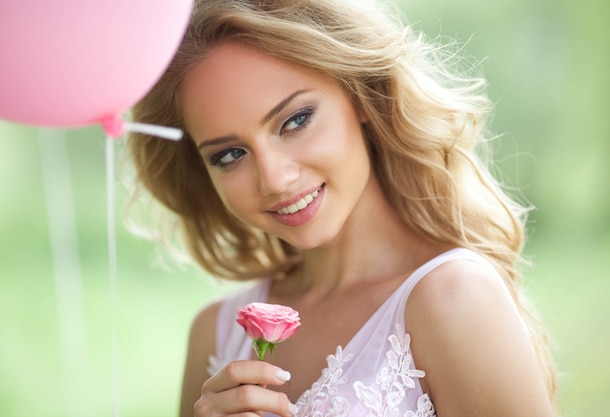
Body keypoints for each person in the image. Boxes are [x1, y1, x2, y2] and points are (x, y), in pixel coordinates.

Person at [125, 0, 559, 416]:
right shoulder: (213, 335)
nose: (274, 179)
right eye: (230, 155)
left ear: (362, 95)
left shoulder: (455, 299)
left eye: (295, 121)